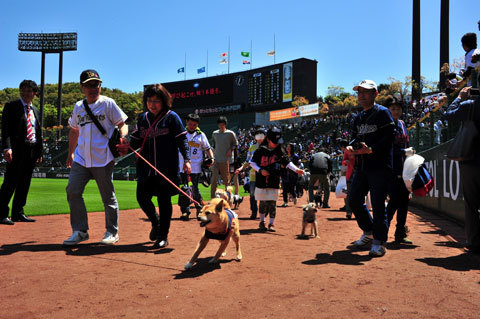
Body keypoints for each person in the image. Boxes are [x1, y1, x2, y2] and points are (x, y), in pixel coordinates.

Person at [120, 84, 190, 249]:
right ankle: (156, 222)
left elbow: (182, 140)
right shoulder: (143, 118)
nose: (152, 104)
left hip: (166, 168)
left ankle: (163, 236)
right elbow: (136, 140)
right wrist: (126, 144)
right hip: (146, 167)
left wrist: (187, 159)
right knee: (142, 198)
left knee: (164, 201)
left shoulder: (172, 117)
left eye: (156, 101)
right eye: (149, 101)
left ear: (164, 101)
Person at [63, 70, 128, 246]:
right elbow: (74, 130)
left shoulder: (108, 103)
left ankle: (112, 232)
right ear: (82, 87)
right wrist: (71, 153)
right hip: (82, 158)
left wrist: (123, 137)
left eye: (96, 84)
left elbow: (122, 124)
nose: (93, 88)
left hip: (103, 158)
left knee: (108, 197)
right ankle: (80, 231)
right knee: (73, 191)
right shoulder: (78, 106)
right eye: (89, 85)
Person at [347, 80, 395, 257]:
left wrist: (372, 149)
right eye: (359, 92)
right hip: (362, 166)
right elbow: (353, 139)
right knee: (353, 200)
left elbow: (391, 136)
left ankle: (380, 242)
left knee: (378, 205)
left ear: (375, 93)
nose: (361, 95)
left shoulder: (383, 113)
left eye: (365, 92)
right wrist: (351, 147)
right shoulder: (358, 117)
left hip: (380, 166)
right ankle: (369, 231)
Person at [0, 80, 43, 225]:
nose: (26, 93)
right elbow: (5, 129)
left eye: (29, 90)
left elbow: (37, 132)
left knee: (24, 183)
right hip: (16, 150)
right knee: (10, 183)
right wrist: (7, 148)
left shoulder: (36, 110)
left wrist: (39, 152)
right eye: (23, 90)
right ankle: (1, 214)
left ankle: (18, 213)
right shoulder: (12, 107)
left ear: (35, 94)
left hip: (31, 151)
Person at [444, 87, 480, 254]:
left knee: (471, 203)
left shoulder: (469, 105)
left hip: (472, 161)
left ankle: (474, 242)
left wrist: (459, 97)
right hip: (472, 161)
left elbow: (448, 115)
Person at [250, 127, 304, 232]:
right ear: (269, 139)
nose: (276, 144)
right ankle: (262, 222)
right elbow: (252, 163)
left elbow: (287, 162)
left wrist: (296, 169)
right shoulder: (260, 150)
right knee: (263, 202)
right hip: (261, 180)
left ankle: (271, 223)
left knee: (272, 203)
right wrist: (260, 170)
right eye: (274, 141)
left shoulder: (279, 150)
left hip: (274, 180)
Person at [384, 96, 413, 244]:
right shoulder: (386, 125)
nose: (396, 111)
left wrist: (409, 154)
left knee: (404, 203)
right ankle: (382, 233)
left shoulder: (402, 123)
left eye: (398, 108)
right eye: (393, 108)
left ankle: (400, 233)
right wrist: (405, 151)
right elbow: (387, 149)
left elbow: (406, 143)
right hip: (391, 170)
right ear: (388, 110)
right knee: (394, 201)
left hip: (404, 170)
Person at [178, 113, 214, 220]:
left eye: (194, 125)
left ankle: (199, 210)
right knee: (184, 188)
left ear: (197, 124)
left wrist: (212, 158)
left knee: (195, 188)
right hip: (182, 165)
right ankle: (185, 211)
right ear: (186, 122)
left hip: (196, 166)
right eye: (190, 124)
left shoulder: (201, 135)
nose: (192, 126)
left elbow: (207, 148)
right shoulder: (181, 134)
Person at [235, 127, 265, 219]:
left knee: (263, 195)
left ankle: (263, 212)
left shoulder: (268, 147)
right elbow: (248, 161)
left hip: (264, 175)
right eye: (258, 134)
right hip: (253, 175)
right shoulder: (252, 147)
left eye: (261, 134)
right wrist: (240, 168)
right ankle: (254, 212)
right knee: (252, 195)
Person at [210, 116, 238, 199]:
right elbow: (214, 145)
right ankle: (213, 199)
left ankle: (228, 199)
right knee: (214, 179)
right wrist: (213, 150)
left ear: (225, 124)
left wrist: (230, 150)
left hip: (226, 160)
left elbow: (235, 144)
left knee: (226, 181)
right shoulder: (214, 133)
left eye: (222, 124)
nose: (221, 126)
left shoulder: (230, 133)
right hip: (216, 159)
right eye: (219, 124)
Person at [280, 143, 300, 207]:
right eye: (287, 147)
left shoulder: (295, 156)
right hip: (284, 174)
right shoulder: (284, 156)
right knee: (285, 189)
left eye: (289, 147)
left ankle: (294, 196)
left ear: (292, 148)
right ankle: (285, 202)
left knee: (291, 188)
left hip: (293, 175)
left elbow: (297, 165)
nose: (288, 148)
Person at [340, 139, 355, 219]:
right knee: (349, 194)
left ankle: (359, 213)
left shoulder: (361, 148)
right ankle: (349, 212)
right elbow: (343, 162)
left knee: (360, 194)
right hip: (350, 174)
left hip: (360, 173)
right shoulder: (347, 151)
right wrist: (346, 161)